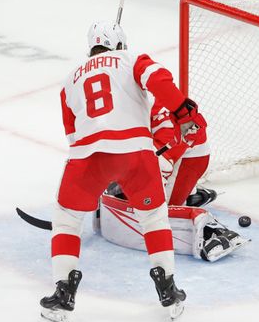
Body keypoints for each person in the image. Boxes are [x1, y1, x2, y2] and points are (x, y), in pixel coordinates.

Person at [40, 20, 206, 322]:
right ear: (121, 44)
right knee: (154, 218)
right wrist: (183, 110)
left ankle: (63, 296)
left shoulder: (70, 79)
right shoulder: (132, 59)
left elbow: (72, 133)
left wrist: (97, 176)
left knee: (66, 220)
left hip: (88, 155)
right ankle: (168, 290)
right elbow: (158, 78)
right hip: (136, 152)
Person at [96, 102, 248, 262]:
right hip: (176, 150)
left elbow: (158, 171)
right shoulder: (137, 114)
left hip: (189, 160)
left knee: (159, 208)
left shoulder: (164, 130)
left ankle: (214, 232)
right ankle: (192, 194)